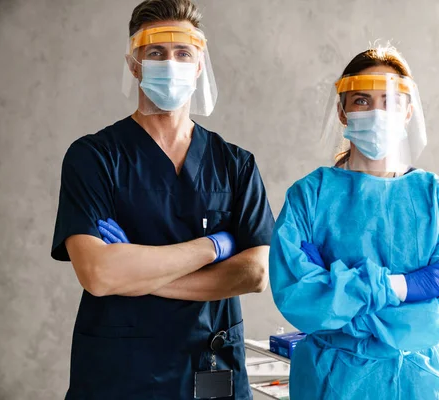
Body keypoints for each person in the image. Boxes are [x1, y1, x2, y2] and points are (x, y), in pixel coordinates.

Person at [50, 1, 273, 398]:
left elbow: (255, 274)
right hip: (120, 373)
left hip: (209, 363)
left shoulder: (235, 164)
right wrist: (214, 246)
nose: (170, 63)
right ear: (134, 63)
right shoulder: (95, 157)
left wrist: (136, 272)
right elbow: (99, 275)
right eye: (156, 52)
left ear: (199, 64)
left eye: (182, 53)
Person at [269, 45, 439, 400]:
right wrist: (403, 287)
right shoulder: (310, 197)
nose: (377, 112)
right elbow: (297, 297)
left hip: (416, 381)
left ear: (408, 111)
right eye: (362, 100)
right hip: (329, 381)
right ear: (342, 111)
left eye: (390, 101)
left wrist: (336, 296)